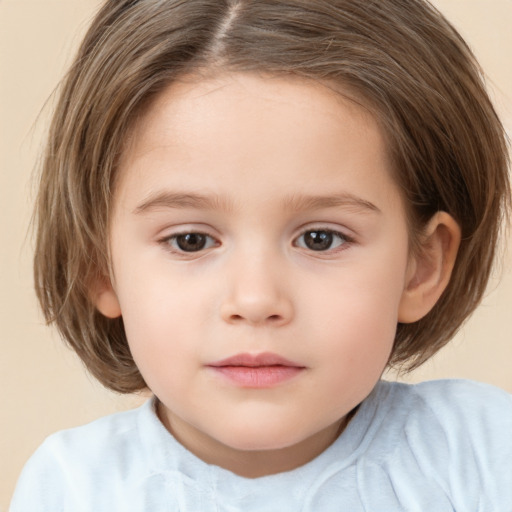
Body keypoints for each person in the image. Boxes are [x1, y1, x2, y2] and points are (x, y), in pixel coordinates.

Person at [10, 0, 512, 510]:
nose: (254, 299)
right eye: (191, 240)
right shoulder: (77, 488)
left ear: (421, 266)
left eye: (320, 238)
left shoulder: (480, 455)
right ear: (100, 265)